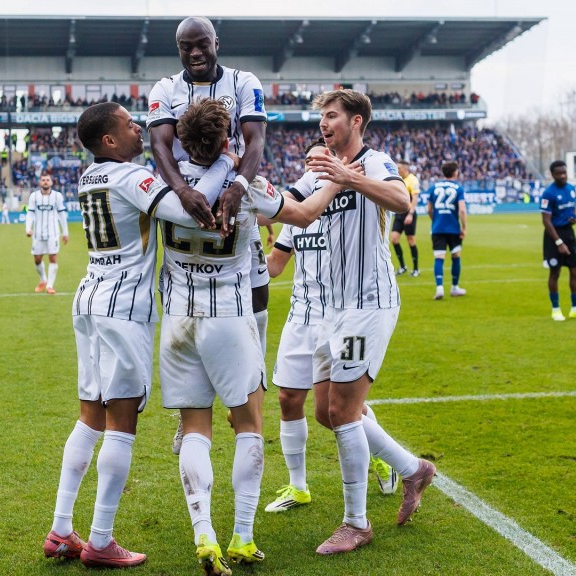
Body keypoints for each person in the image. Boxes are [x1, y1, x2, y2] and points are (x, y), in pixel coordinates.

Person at [158, 99, 341, 575]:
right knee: (248, 426)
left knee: (196, 428)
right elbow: (302, 216)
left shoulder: (164, 184)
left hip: (177, 319)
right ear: (226, 141)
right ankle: (241, 536)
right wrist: (334, 182)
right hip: (229, 316)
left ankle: (204, 535)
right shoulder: (248, 188)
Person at [42, 102, 203, 568]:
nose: (140, 128)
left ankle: (61, 530)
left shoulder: (89, 176)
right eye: (130, 124)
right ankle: (100, 540)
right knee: (121, 424)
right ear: (109, 141)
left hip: (89, 298)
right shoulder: (131, 177)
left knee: (89, 418)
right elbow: (188, 213)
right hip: (123, 307)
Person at [302, 89, 437, 555]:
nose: (324, 124)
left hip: (368, 303)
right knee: (326, 411)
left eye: (332, 116)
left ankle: (356, 523)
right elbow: (293, 207)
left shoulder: (374, 161)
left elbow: (401, 199)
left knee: (343, 411)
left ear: (356, 121)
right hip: (332, 307)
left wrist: (349, 177)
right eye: (321, 117)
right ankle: (412, 468)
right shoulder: (322, 168)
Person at [147, 16, 271, 456]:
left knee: (256, 293)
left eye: (201, 45)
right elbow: (160, 146)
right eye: (186, 47)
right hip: (184, 198)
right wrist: (181, 190)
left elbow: (255, 141)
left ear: (217, 42)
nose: (195, 54)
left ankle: (250, 376)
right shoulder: (164, 89)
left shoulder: (243, 82)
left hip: (234, 195)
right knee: (182, 283)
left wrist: (238, 187)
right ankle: (193, 413)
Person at [264, 140, 398, 516]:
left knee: (335, 411)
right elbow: (275, 266)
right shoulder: (299, 211)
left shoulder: (353, 204)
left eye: (322, 156)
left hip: (343, 314)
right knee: (289, 399)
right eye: (310, 158)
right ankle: (298, 486)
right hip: (303, 314)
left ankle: (382, 457)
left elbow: (396, 200)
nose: (315, 162)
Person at [540, 160, 576, 321]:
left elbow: (573, 209)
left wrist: (574, 218)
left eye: (564, 172)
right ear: (553, 175)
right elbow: (546, 220)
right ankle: (556, 310)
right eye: (559, 173)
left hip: (569, 233)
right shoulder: (548, 193)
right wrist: (559, 242)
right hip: (553, 236)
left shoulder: (571, 189)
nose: (563, 176)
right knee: (555, 272)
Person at [428, 161, 467, 299]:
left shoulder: (433, 187)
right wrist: (464, 227)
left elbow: (429, 209)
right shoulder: (458, 188)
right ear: (455, 172)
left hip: (437, 228)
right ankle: (455, 288)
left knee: (439, 257)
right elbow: (462, 210)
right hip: (453, 228)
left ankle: (439, 288)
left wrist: (436, 220)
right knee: (455, 256)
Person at [25, 173, 70, 295]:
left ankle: (50, 286)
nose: (45, 182)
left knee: (53, 257)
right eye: (43, 180)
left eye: (47, 180)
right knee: (37, 259)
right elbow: (30, 214)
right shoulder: (34, 196)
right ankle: (43, 280)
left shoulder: (57, 196)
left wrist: (65, 232)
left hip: (53, 233)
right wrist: (28, 229)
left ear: (51, 182)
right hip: (38, 233)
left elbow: (61, 215)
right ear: (40, 182)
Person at [390, 160, 421, 276]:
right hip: (399, 213)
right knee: (394, 239)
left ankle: (416, 269)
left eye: (399, 168)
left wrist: (411, 214)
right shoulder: (398, 179)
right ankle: (403, 266)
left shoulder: (413, 180)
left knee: (411, 241)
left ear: (404, 169)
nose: (397, 170)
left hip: (409, 213)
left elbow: (415, 198)